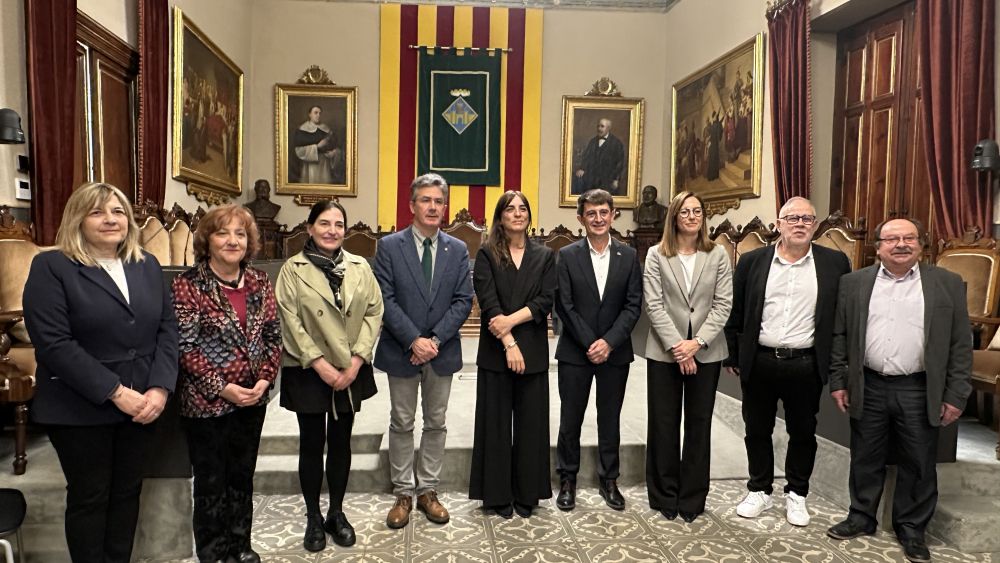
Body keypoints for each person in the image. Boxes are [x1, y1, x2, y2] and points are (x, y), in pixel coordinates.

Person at [22, 182, 178, 563]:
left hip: (143, 405)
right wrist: (116, 392)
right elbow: (54, 344)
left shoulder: (147, 264)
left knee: (127, 493)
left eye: (118, 211)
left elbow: (167, 329)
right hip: (80, 406)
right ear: (77, 219)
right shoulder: (51, 267)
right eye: (97, 212)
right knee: (90, 498)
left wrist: (160, 388)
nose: (111, 219)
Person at [826, 218, 972, 563]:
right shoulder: (853, 283)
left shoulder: (947, 284)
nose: (901, 244)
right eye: (892, 239)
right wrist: (838, 381)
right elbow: (840, 336)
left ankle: (911, 528)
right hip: (869, 383)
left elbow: (960, 343)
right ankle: (861, 516)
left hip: (918, 387)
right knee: (865, 455)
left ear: (921, 244)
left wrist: (956, 393)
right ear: (878, 247)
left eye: (909, 238)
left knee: (919, 460)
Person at [724, 197, 851, 527]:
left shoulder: (835, 263)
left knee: (803, 432)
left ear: (815, 225)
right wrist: (734, 355)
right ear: (778, 224)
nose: (799, 224)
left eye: (807, 219)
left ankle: (797, 493)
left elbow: (842, 318)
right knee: (756, 430)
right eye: (792, 218)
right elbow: (736, 312)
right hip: (761, 360)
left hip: (805, 363)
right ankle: (759, 489)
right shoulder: (752, 261)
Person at [172, 204, 281, 563]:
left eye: (240, 234)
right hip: (206, 404)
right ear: (207, 239)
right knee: (211, 482)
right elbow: (186, 347)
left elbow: (272, 336)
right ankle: (214, 553)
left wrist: (265, 379)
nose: (233, 241)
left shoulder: (260, 281)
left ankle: (240, 545)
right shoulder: (188, 284)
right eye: (223, 233)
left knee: (242, 477)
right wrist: (223, 387)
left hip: (252, 399)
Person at [275, 200, 384, 551]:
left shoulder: (360, 266)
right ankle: (313, 516)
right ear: (310, 227)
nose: (332, 230)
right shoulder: (292, 269)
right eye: (324, 223)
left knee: (341, 442)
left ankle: (336, 512)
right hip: (308, 369)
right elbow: (288, 320)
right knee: (311, 444)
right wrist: (320, 364)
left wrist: (357, 361)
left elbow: (374, 312)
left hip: (350, 368)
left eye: (338, 224)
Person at [374, 173, 474, 529]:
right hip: (401, 349)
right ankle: (403, 492)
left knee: (436, 422)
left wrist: (434, 341)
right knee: (402, 422)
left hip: (441, 351)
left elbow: (463, 300)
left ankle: (428, 490)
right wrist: (413, 340)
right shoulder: (389, 246)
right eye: (426, 200)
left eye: (438, 201)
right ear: (412, 205)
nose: (433, 207)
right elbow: (384, 298)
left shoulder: (457, 249)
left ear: (445, 207)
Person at [643, 190, 733, 523]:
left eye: (697, 211)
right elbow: (653, 304)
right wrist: (678, 347)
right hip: (665, 352)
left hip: (706, 353)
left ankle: (693, 497)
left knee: (699, 425)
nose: (692, 216)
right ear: (675, 217)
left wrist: (696, 344)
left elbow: (723, 304)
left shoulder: (718, 254)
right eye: (685, 211)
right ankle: (664, 494)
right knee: (663, 424)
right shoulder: (656, 254)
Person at [554, 189, 642, 512]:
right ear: (581, 218)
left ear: (613, 215)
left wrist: (608, 342)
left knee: (610, 418)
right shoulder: (567, 255)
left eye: (604, 212)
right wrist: (591, 342)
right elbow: (564, 305)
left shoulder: (629, 256)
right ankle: (568, 480)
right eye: (591, 213)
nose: (598, 218)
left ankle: (609, 480)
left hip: (615, 353)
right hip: (575, 352)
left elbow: (633, 305)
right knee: (570, 418)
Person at [469, 191, 556, 519]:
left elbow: (545, 300)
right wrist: (508, 341)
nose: (517, 213)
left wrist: (510, 321)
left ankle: (526, 493)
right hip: (496, 350)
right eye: (510, 209)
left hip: (532, 349)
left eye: (523, 208)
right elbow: (488, 301)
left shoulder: (544, 255)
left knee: (531, 425)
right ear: (500, 217)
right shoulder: (486, 253)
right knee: (495, 426)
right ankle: (497, 495)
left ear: (529, 216)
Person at [292, 105, 345, 184]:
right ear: (310, 114)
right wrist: (317, 147)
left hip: (325, 164)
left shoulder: (326, 129)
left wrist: (334, 153)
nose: (318, 115)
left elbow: (336, 147)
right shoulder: (302, 129)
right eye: (316, 113)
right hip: (310, 164)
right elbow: (299, 150)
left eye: (320, 113)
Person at [573, 118, 625, 194]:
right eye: (598, 126)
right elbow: (586, 157)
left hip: (608, 180)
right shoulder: (593, 141)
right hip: (592, 179)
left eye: (602, 126)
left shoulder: (616, 143)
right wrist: (582, 168)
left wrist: (616, 179)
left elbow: (620, 163)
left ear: (608, 128)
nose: (599, 129)